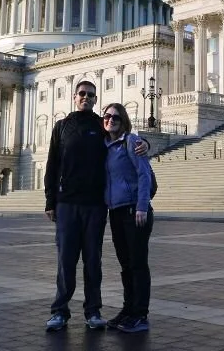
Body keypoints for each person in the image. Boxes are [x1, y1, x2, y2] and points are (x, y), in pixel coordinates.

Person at [44, 81, 149, 332]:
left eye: (91, 95)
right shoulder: (61, 126)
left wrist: (146, 142)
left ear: (95, 99)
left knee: (93, 260)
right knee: (66, 260)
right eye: (82, 94)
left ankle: (93, 310)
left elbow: (123, 137)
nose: (86, 97)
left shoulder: (101, 126)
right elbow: (52, 164)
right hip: (67, 202)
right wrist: (50, 200)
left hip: (95, 204)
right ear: (74, 96)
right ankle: (60, 311)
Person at [101, 103, 154, 333]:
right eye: (107, 116)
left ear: (124, 121)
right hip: (116, 211)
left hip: (135, 211)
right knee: (125, 265)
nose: (111, 120)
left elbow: (144, 174)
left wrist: (142, 206)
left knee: (137, 264)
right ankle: (128, 309)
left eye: (116, 117)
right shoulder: (104, 146)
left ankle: (140, 314)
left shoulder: (132, 142)